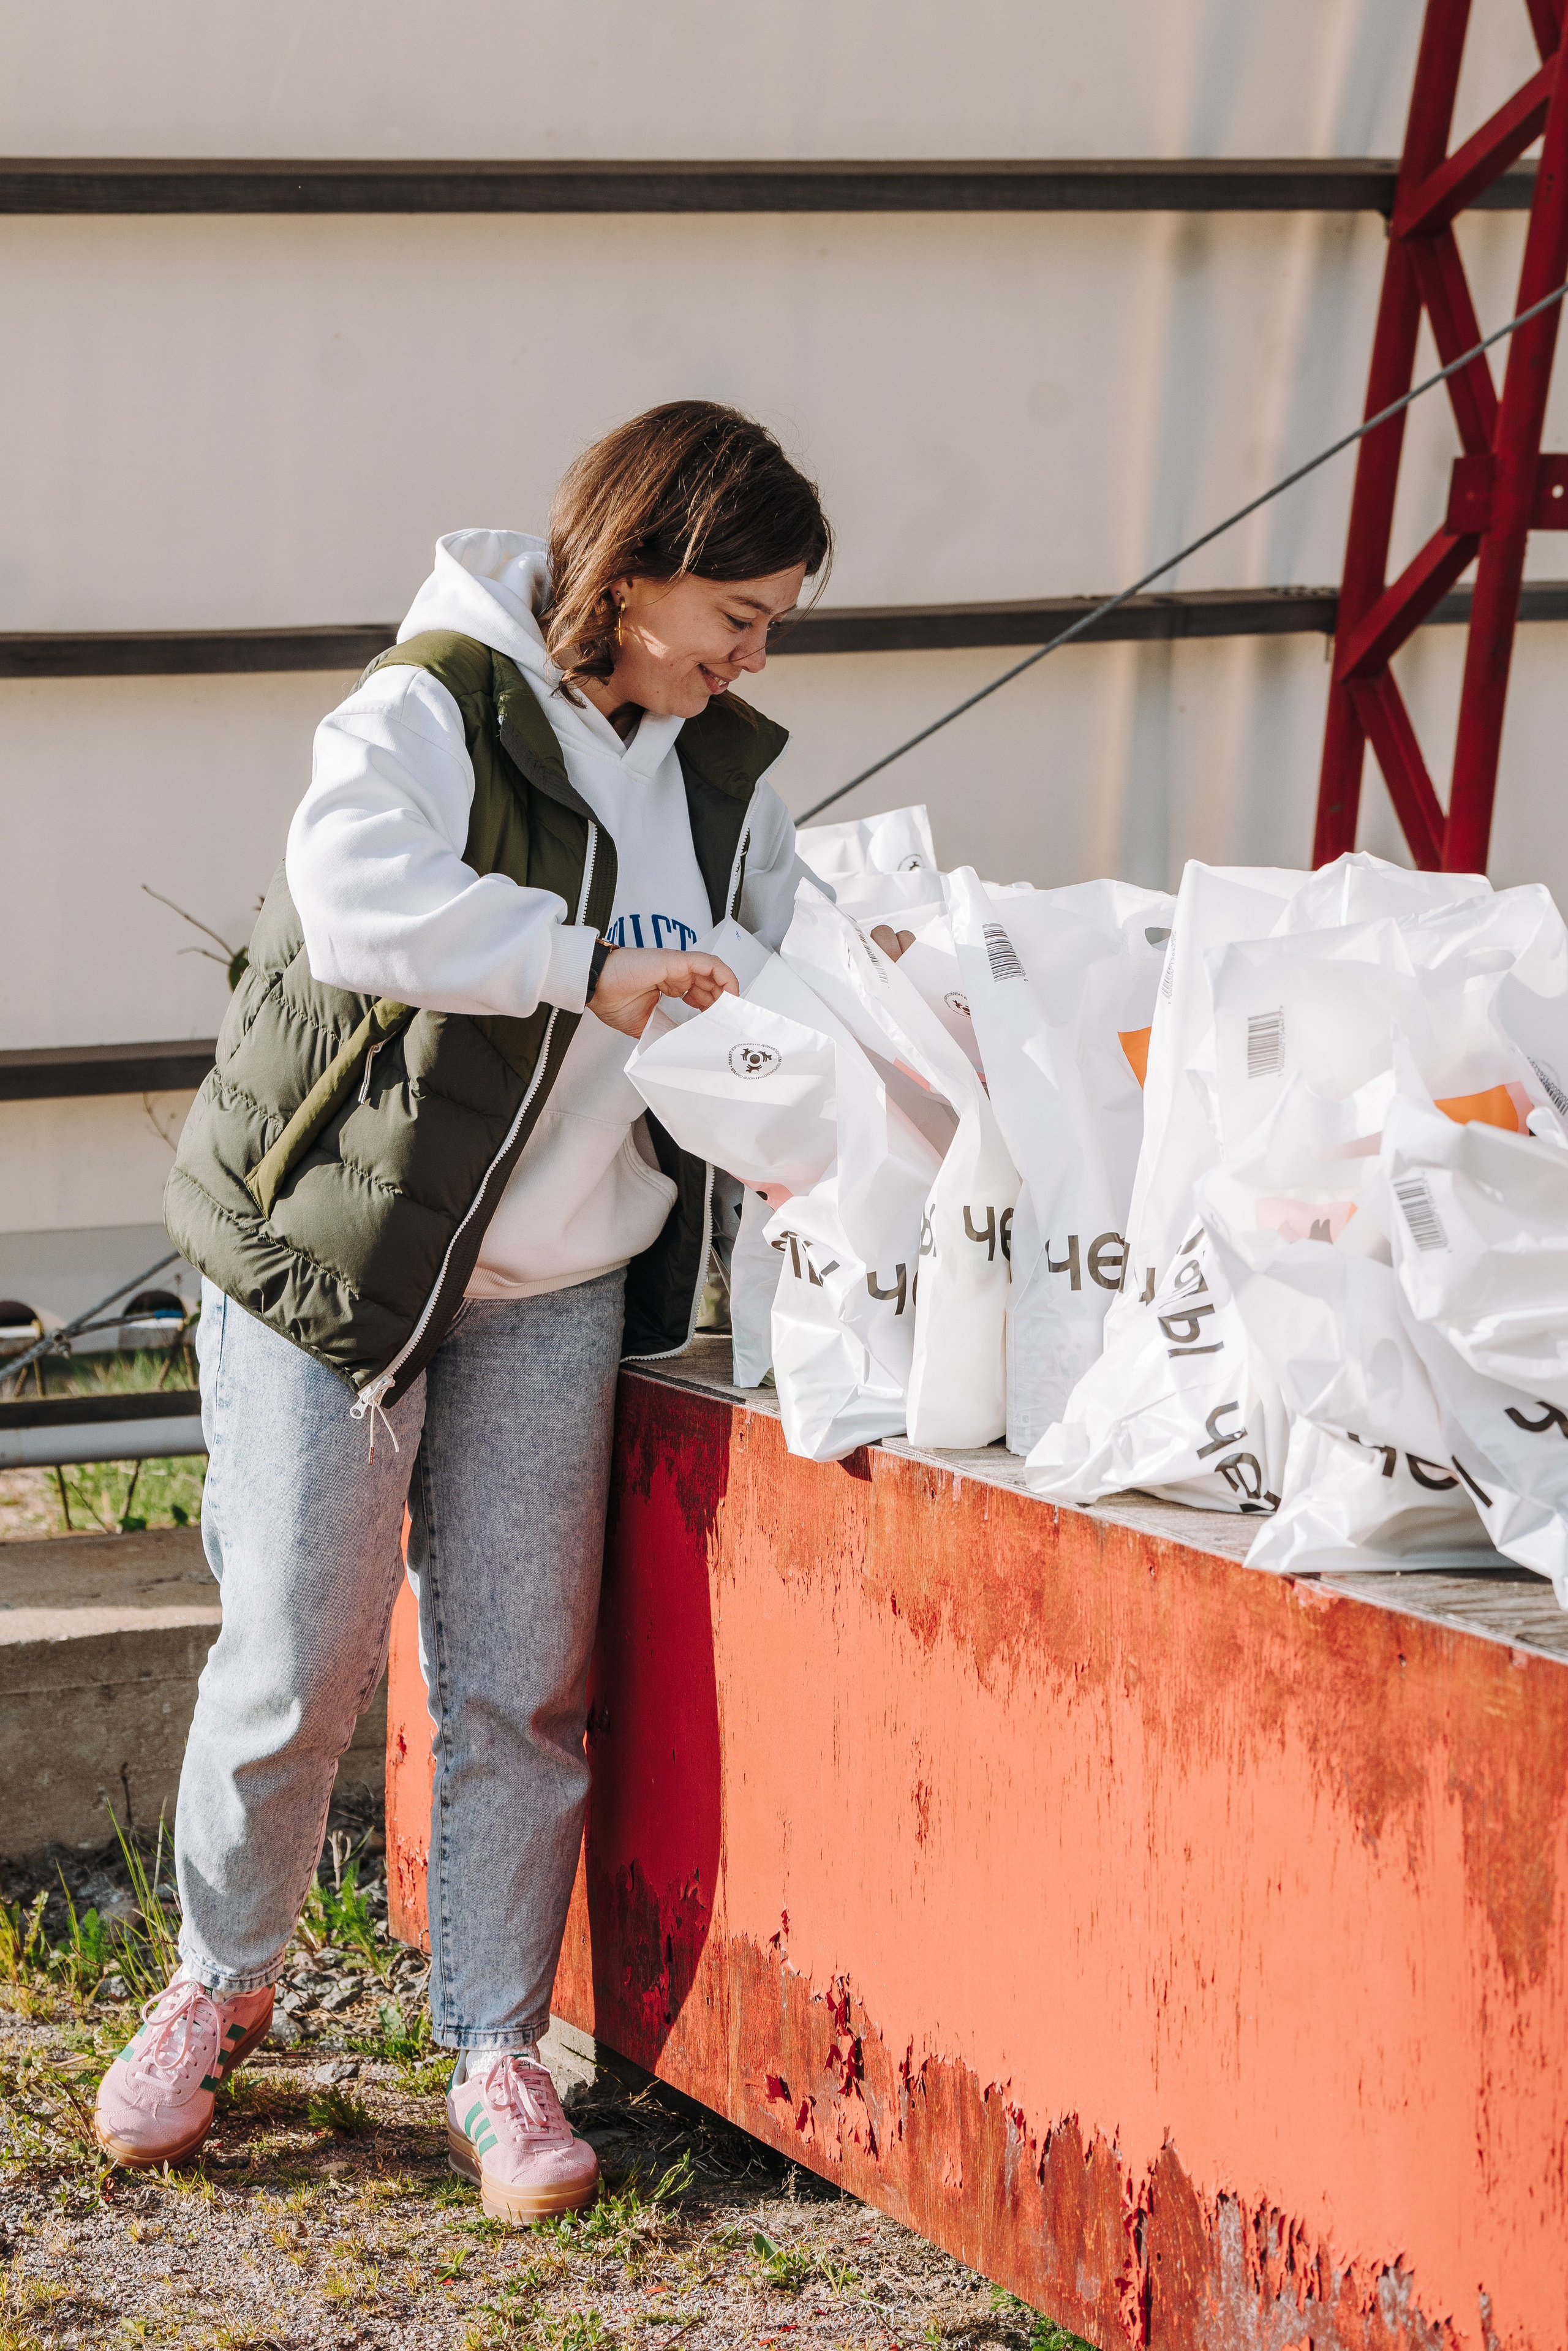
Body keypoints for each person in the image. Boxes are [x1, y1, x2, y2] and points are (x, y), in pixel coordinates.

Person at [94, 402, 833, 2219]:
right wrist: (594, 967)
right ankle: (220, 1975)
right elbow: (358, 901)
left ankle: (496, 2049)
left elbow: (806, 955)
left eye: (775, 623)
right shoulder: (435, 699)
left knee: (522, 1686)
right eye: (735, 610)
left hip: (560, 1284)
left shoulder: (726, 774)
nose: (754, 653)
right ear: (639, 565)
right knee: (294, 1654)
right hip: (336, 1273)